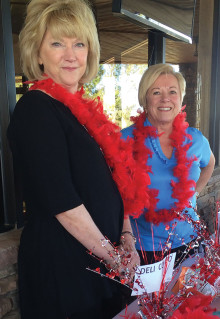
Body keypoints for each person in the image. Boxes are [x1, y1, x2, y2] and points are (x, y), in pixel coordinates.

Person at [7, 0, 140, 318]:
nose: (70, 55)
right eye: (57, 43)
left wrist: (127, 237)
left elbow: (115, 179)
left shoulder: (83, 112)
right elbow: (62, 203)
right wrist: (114, 257)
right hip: (64, 269)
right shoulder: (36, 110)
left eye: (79, 44)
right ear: (38, 53)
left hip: (103, 263)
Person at [121, 63, 215, 267]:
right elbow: (114, 192)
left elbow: (210, 164)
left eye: (172, 91)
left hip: (189, 242)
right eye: (156, 92)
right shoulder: (124, 140)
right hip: (143, 247)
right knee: (145, 300)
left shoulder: (196, 139)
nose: (165, 99)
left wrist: (194, 193)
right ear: (145, 98)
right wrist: (125, 232)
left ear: (180, 98)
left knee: (191, 298)